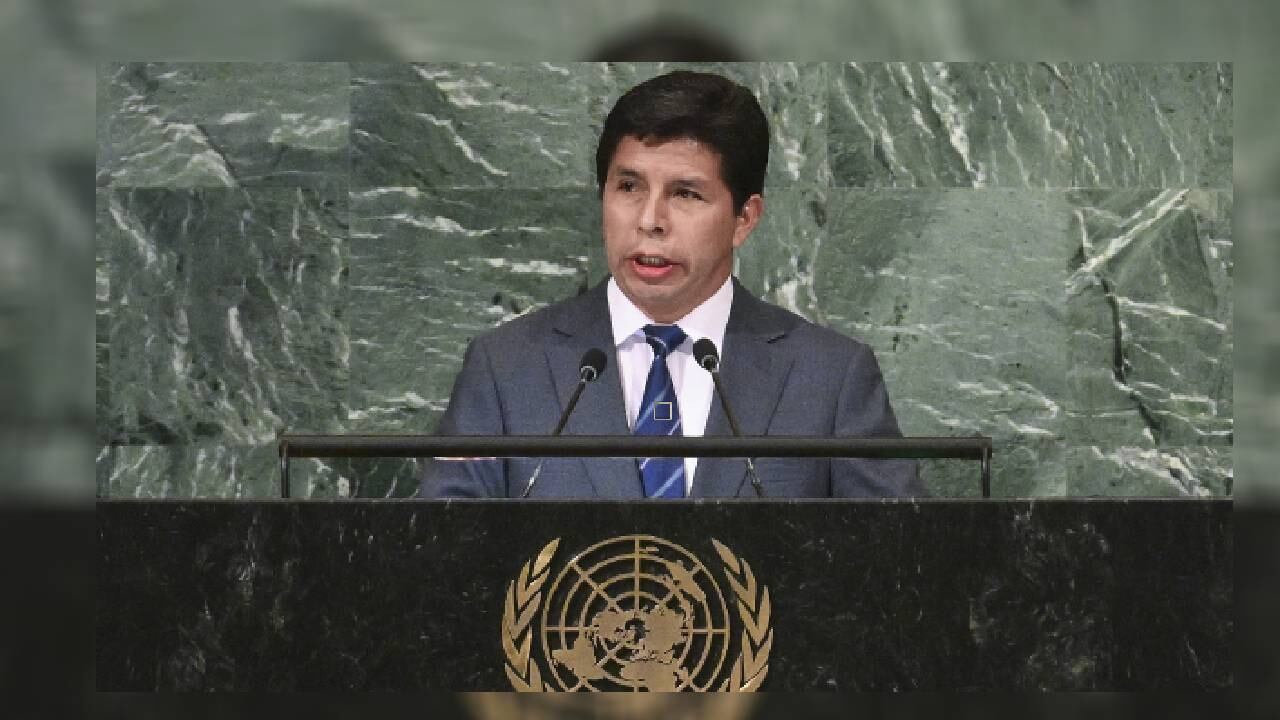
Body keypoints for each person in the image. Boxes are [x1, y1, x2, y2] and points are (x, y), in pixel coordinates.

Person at [419, 70, 921, 498]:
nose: (650, 220)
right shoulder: (506, 369)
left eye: (685, 193)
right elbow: (443, 563)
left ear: (745, 218)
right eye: (629, 187)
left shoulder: (831, 379)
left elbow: (907, 567)